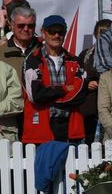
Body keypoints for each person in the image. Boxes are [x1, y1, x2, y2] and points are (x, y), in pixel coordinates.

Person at [21, 15, 87, 144]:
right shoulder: (32, 60)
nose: (56, 35)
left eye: (60, 32)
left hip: (71, 128)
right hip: (40, 130)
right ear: (43, 33)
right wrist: (64, 89)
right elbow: (35, 95)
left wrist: (50, 97)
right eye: (52, 31)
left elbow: (80, 95)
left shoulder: (75, 61)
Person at [78, 18, 112, 144]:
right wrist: (87, 83)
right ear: (95, 34)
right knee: (89, 141)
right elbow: (78, 76)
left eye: (109, 33)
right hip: (90, 105)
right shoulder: (85, 54)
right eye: (102, 33)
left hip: (109, 104)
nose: (105, 37)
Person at [0, 6, 38, 85]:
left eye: (30, 26)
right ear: (12, 25)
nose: (26, 29)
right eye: (21, 25)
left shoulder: (44, 50)